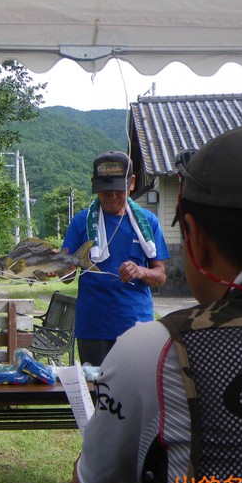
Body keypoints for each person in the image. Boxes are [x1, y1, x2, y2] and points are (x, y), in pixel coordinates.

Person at [73, 123, 242, 483]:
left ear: (195, 242)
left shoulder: (159, 349)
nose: (110, 197)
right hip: (94, 322)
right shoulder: (83, 222)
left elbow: (94, 478)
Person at [59, 150, 169, 366]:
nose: (111, 196)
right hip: (93, 328)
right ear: (94, 184)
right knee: (96, 392)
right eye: (104, 191)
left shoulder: (148, 222)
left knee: (137, 392)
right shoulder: (81, 222)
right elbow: (66, 277)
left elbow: (160, 275)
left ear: (132, 183)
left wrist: (141, 271)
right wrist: (57, 266)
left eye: (118, 190)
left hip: (137, 327)